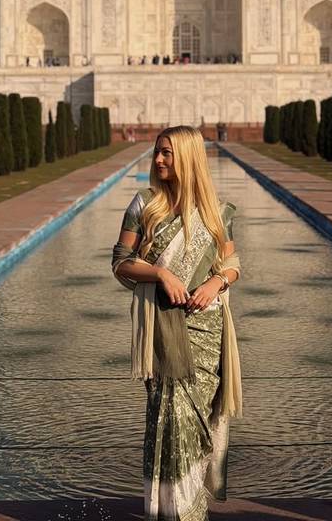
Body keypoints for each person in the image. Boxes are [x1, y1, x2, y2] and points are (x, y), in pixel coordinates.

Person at [112, 126, 242, 521]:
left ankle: (190, 510)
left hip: (208, 330)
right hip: (163, 330)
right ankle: (175, 512)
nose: (159, 160)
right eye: (157, 153)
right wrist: (160, 275)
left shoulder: (218, 212)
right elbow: (120, 261)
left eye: (167, 153)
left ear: (188, 156)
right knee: (171, 420)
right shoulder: (144, 205)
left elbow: (232, 264)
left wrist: (216, 282)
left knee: (199, 421)